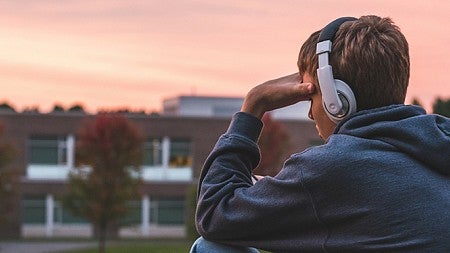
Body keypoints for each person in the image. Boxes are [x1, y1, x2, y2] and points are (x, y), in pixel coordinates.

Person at [191, 15, 450, 253]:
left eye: (309, 95)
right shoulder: (438, 143)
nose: (310, 114)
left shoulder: (336, 166)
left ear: (337, 99)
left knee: (210, 247)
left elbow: (215, 213)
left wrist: (253, 106)